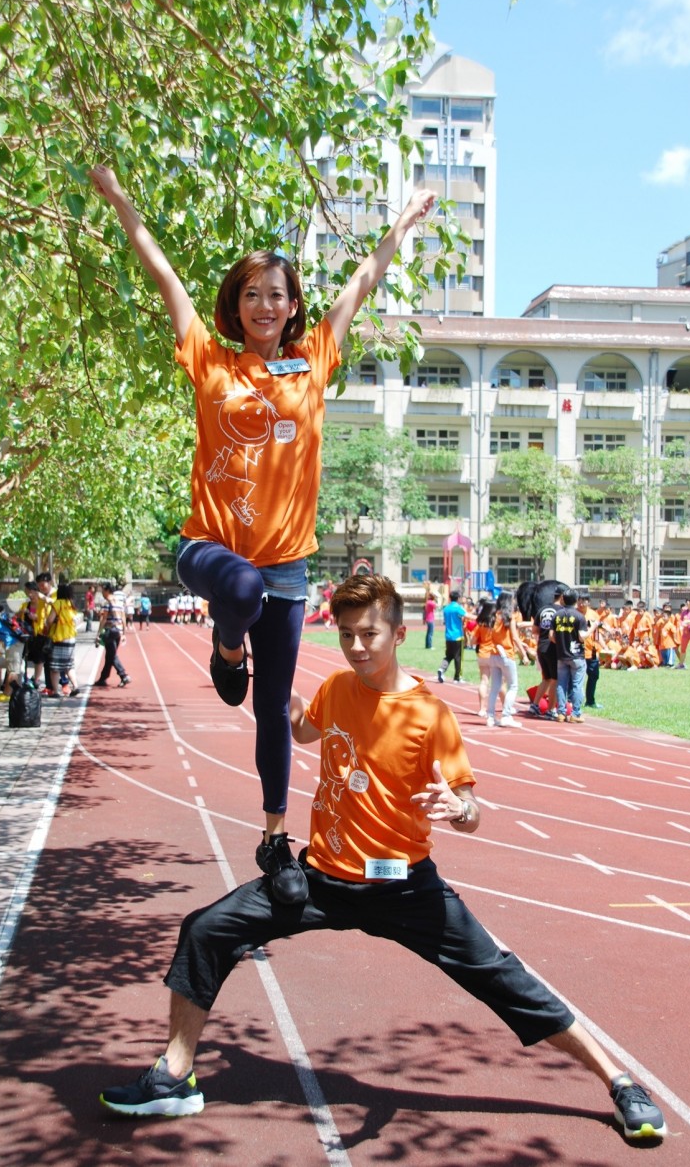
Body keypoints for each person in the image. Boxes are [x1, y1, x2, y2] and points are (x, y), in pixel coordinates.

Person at [98, 574, 667, 1144]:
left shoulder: (428, 714)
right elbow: (304, 733)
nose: (356, 646)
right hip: (320, 879)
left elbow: (470, 808)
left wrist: (458, 807)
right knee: (206, 929)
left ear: (398, 633)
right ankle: (174, 1076)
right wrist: (288, 708)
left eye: (369, 633)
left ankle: (619, 1081)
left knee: (504, 977)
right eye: (346, 634)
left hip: (403, 887)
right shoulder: (339, 688)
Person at [89, 162, 436, 905]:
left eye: (277, 294)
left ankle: (276, 836)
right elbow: (161, 272)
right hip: (210, 553)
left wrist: (402, 226)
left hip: (288, 569)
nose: (265, 304)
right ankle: (225, 647)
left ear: (293, 305)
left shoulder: (312, 364)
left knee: (274, 706)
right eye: (252, 293)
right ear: (235, 305)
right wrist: (123, 201)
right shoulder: (209, 359)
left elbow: (362, 284)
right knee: (239, 587)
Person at [472, 594, 528, 729]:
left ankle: (490, 717)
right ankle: (506, 715)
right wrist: (524, 654)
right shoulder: (509, 618)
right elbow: (514, 637)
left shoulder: (494, 617)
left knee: (495, 687)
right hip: (507, 654)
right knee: (513, 686)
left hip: (494, 654)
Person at [553, 589, 597, 724]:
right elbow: (582, 637)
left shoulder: (557, 615)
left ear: (563, 599)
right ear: (576, 600)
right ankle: (575, 713)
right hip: (577, 655)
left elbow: (552, 636)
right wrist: (593, 627)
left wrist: (562, 643)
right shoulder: (579, 616)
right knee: (577, 685)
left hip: (561, 654)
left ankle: (560, 712)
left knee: (561, 684)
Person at [529, 585, 564, 719]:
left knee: (546, 678)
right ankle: (551, 709)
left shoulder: (542, 609)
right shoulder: (561, 611)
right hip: (553, 647)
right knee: (555, 679)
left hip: (541, 647)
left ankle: (535, 705)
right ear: (561, 597)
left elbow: (534, 630)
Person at [44, 582, 81, 698]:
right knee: (68, 665)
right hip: (71, 637)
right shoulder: (71, 604)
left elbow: (49, 620)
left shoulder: (58, 603)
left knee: (54, 667)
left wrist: (48, 627)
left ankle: (55, 691)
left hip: (59, 637)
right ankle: (76, 686)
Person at [94, 582, 131, 687]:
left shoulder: (107, 603)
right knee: (110, 655)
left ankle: (123, 675)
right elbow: (123, 617)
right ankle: (103, 678)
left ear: (107, 590)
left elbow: (104, 618)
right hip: (118, 631)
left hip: (110, 630)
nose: (101, 592)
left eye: (102, 590)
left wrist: (98, 633)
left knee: (112, 655)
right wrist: (123, 632)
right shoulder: (119, 602)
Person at [577, 594, 603, 709]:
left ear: (588, 602)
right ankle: (573, 701)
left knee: (594, 676)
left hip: (591, 651)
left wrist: (603, 647)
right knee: (577, 678)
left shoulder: (594, 614)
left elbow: (596, 633)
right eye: (579, 601)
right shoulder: (575, 613)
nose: (581, 604)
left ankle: (590, 700)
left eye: (584, 601)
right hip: (578, 650)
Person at [436, 590, 466, 683]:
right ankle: (457, 677)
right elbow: (466, 615)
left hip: (448, 636)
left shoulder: (446, 609)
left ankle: (442, 669)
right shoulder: (458, 608)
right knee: (458, 657)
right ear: (458, 598)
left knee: (448, 656)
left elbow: (445, 621)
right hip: (457, 636)